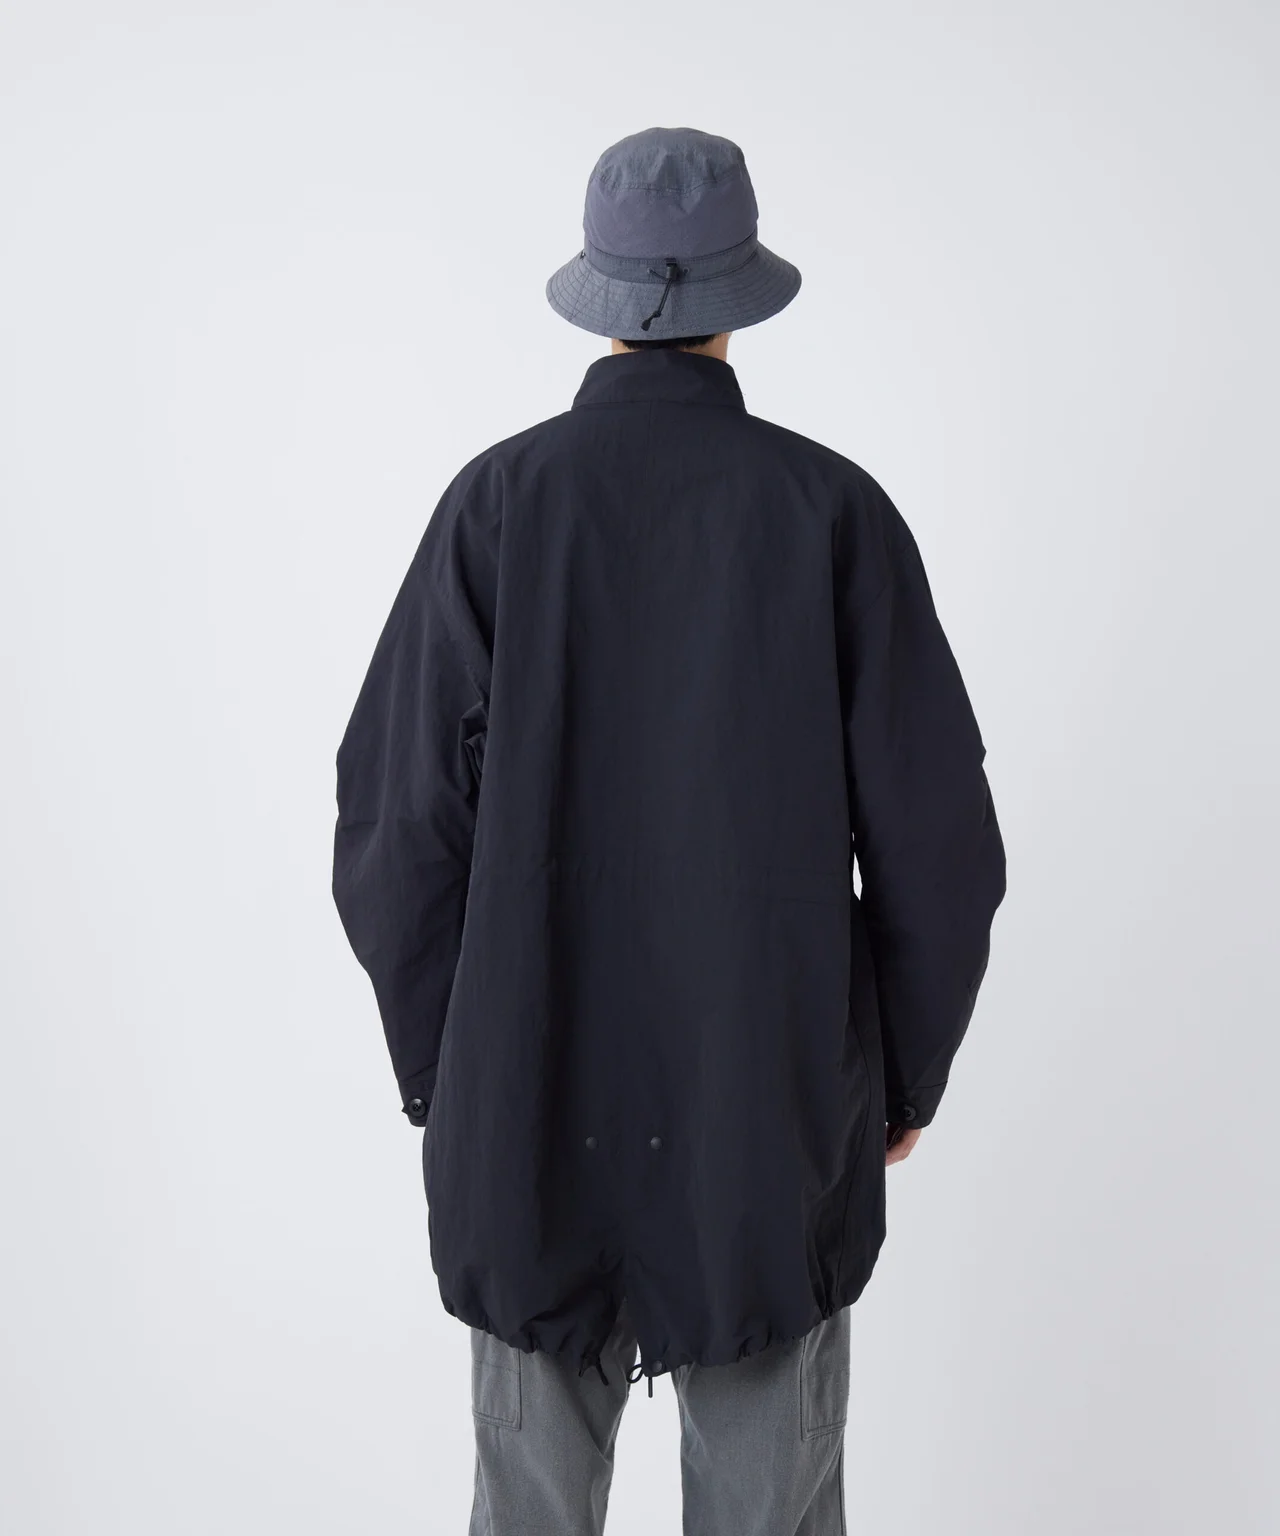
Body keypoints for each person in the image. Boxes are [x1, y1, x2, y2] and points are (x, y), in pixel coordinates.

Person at [331, 125, 1007, 1536]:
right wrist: (898, 1081)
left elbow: (394, 824)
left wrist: (449, 1068)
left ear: (599, 292)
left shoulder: (497, 507)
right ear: (737, 297)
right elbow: (942, 846)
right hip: (770, 1118)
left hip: (527, 1107)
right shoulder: (831, 513)